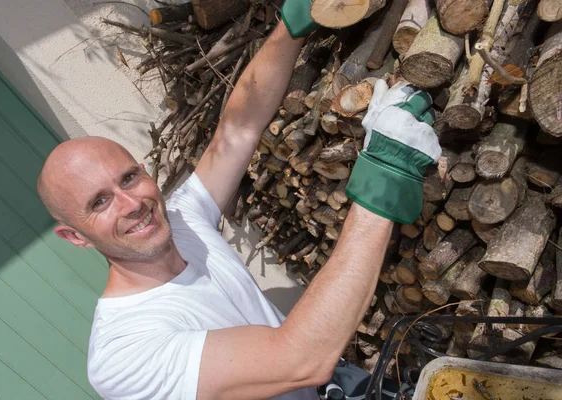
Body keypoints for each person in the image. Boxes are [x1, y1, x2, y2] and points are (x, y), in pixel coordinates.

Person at [36, 0, 441, 398]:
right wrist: (384, 179)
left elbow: (238, 128)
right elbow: (299, 359)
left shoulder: (181, 218)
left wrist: (293, 23)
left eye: (130, 177)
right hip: (311, 369)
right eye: (99, 203)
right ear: (76, 237)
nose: (131, 203)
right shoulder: (122, 356)